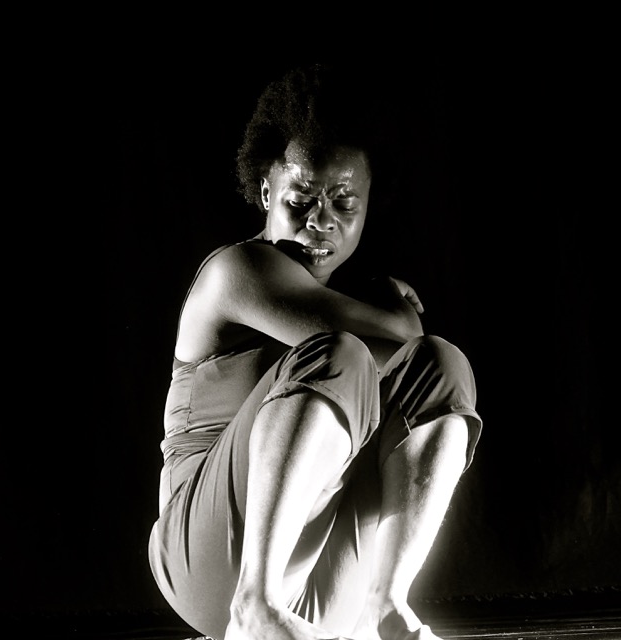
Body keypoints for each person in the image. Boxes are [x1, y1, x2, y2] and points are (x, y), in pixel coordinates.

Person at [148, 63, 482, 640]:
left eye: (344, 204)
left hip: (319, 573)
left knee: (441, 364)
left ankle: (385, 605)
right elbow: (391, 335)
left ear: (367, 206)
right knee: (342, 356)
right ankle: (255, 607)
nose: (320, 221)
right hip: (206, 559)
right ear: (266, 192)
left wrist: (387, 318)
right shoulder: (237, 271)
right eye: (300, 199)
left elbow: (414, 350)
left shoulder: (344, 305)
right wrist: (389, 304)